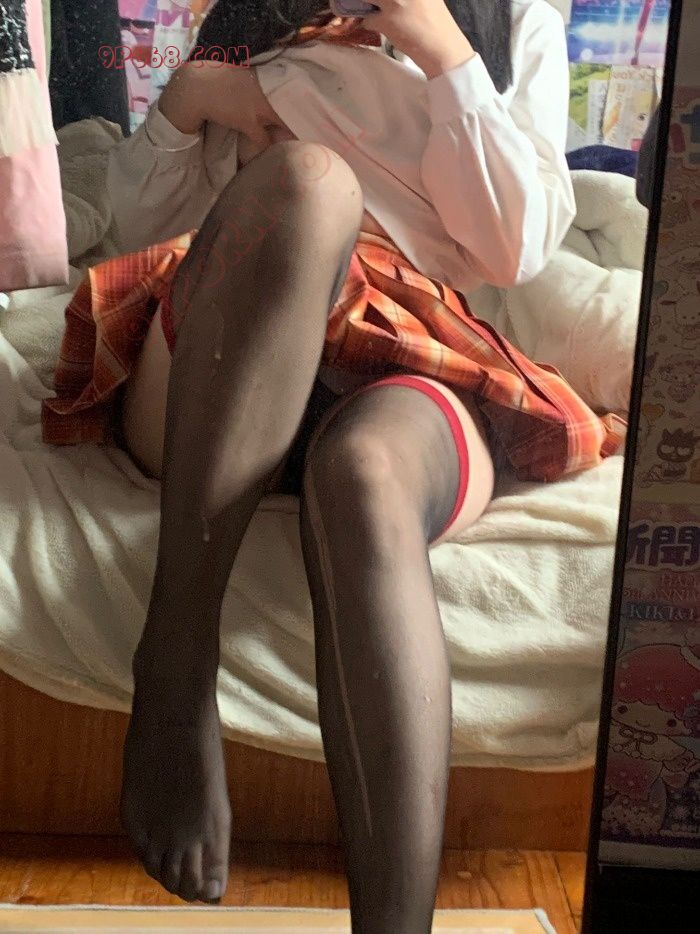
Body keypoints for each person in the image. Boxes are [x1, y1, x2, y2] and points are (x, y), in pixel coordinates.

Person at [41, 0, 624, 926]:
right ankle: (177, 665)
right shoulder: (256, 18)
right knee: (311, 183)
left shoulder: (515, 25)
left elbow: (514, 248)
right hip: (224, 362)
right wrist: (190, 101)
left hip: (410, 343)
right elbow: (144, 233)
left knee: (364, 477)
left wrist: (441, 47)